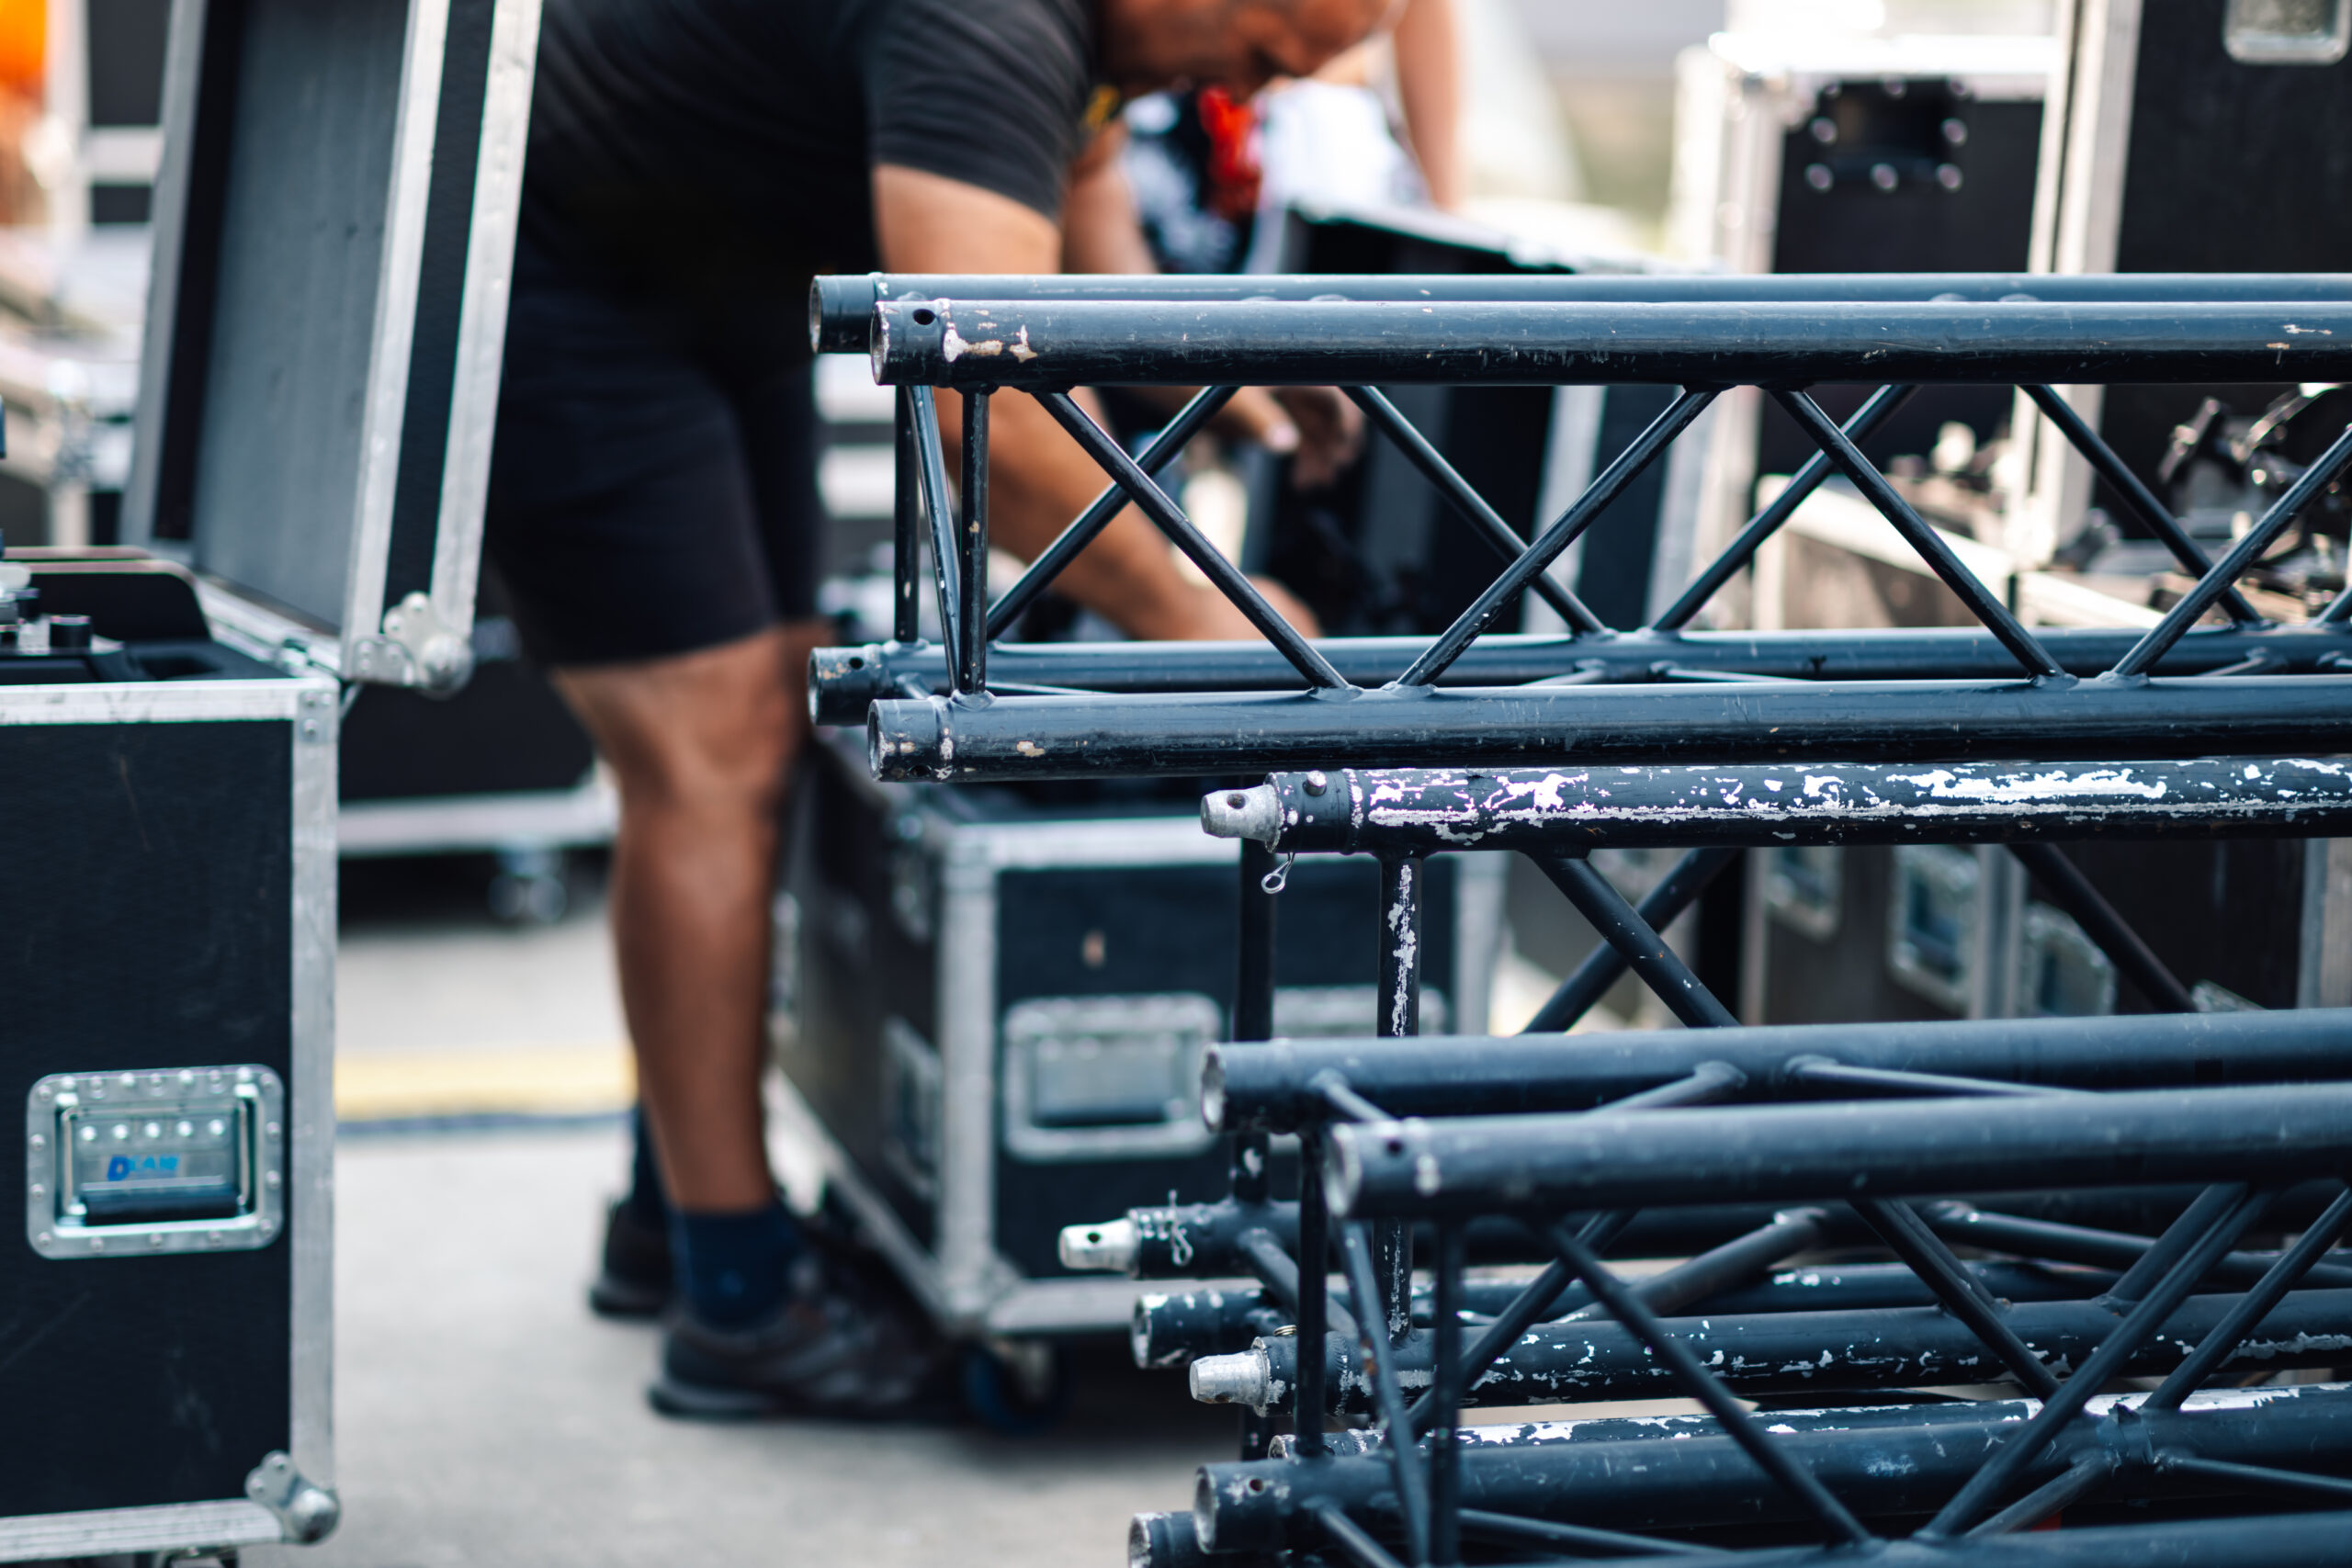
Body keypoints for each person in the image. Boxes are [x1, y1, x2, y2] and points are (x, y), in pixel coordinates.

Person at [483, 0, 1398, 1418]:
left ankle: (674, 1208)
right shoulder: (987, 23)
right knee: (708, 756)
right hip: (563, 282)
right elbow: (995, 421)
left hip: (710, 275)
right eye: (1272, 50)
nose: (1260, 91)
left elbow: (1074, 207)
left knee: (760, 724)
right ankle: (738, 1301)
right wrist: (1211, 626)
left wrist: (1225, 371)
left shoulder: (1092, 44)